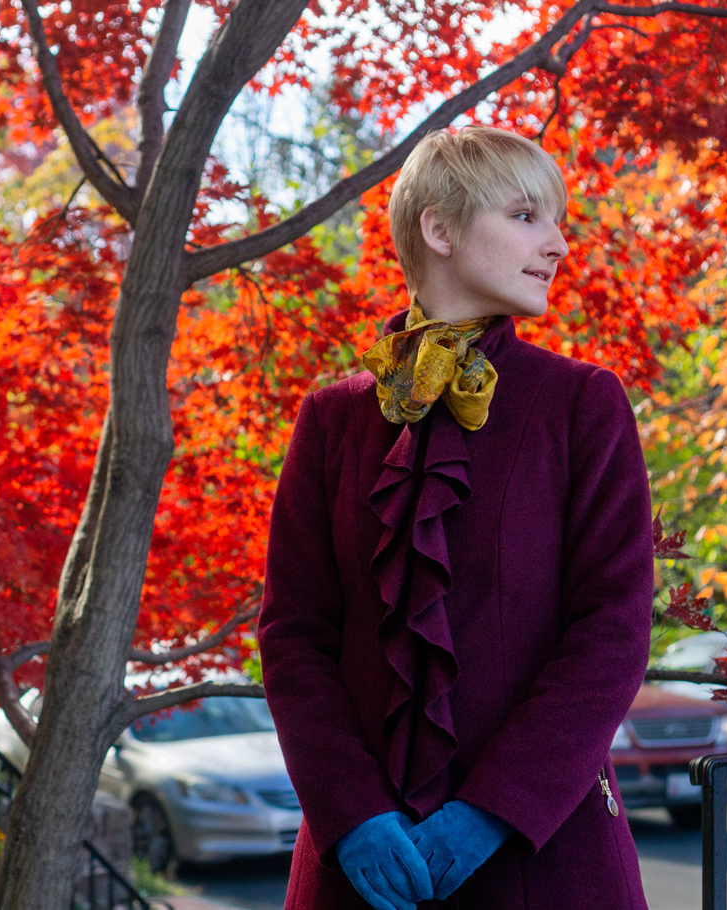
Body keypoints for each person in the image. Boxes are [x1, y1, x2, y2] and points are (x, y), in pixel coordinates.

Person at [257, 126, 654, 910]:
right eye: (526, 216)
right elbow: (293, 635)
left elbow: (612, 630)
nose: (558, 244)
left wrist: (491, 811)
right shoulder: (332, 419)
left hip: (543, 861)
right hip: (358, 872)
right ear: (439, 229)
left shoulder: (582, 404)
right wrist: (353, 815)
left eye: (556, 220)